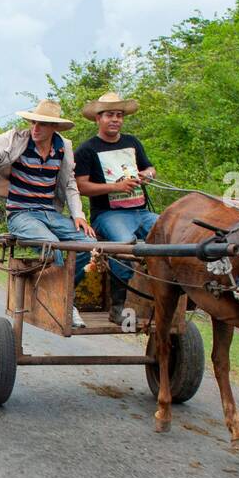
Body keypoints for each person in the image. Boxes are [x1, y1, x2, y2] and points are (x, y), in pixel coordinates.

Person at [0, 99, 93, 328]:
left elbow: (69, 183)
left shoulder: (62, 147)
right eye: (33, 122)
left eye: (42, 124)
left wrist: (79, 215)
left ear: (54, 128)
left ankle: (64, 293)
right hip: (21, 214)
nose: (35, 128)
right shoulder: (18, 140)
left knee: (89, 244)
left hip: (50, 213)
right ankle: (65, 304)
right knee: (52, 245)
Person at [73, 91, 159, 323]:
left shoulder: (132, 142)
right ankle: (118, 306)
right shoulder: (87, 150)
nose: (115, 120)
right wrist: (115, 187)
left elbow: (151, 168)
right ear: (98, 119)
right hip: (108, 214)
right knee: (125, 247)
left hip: (141, 211)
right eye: (110, 115)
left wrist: (146, 175)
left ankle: (168, 296)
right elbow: (81, 186)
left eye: (119, 115)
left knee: (171, 234)